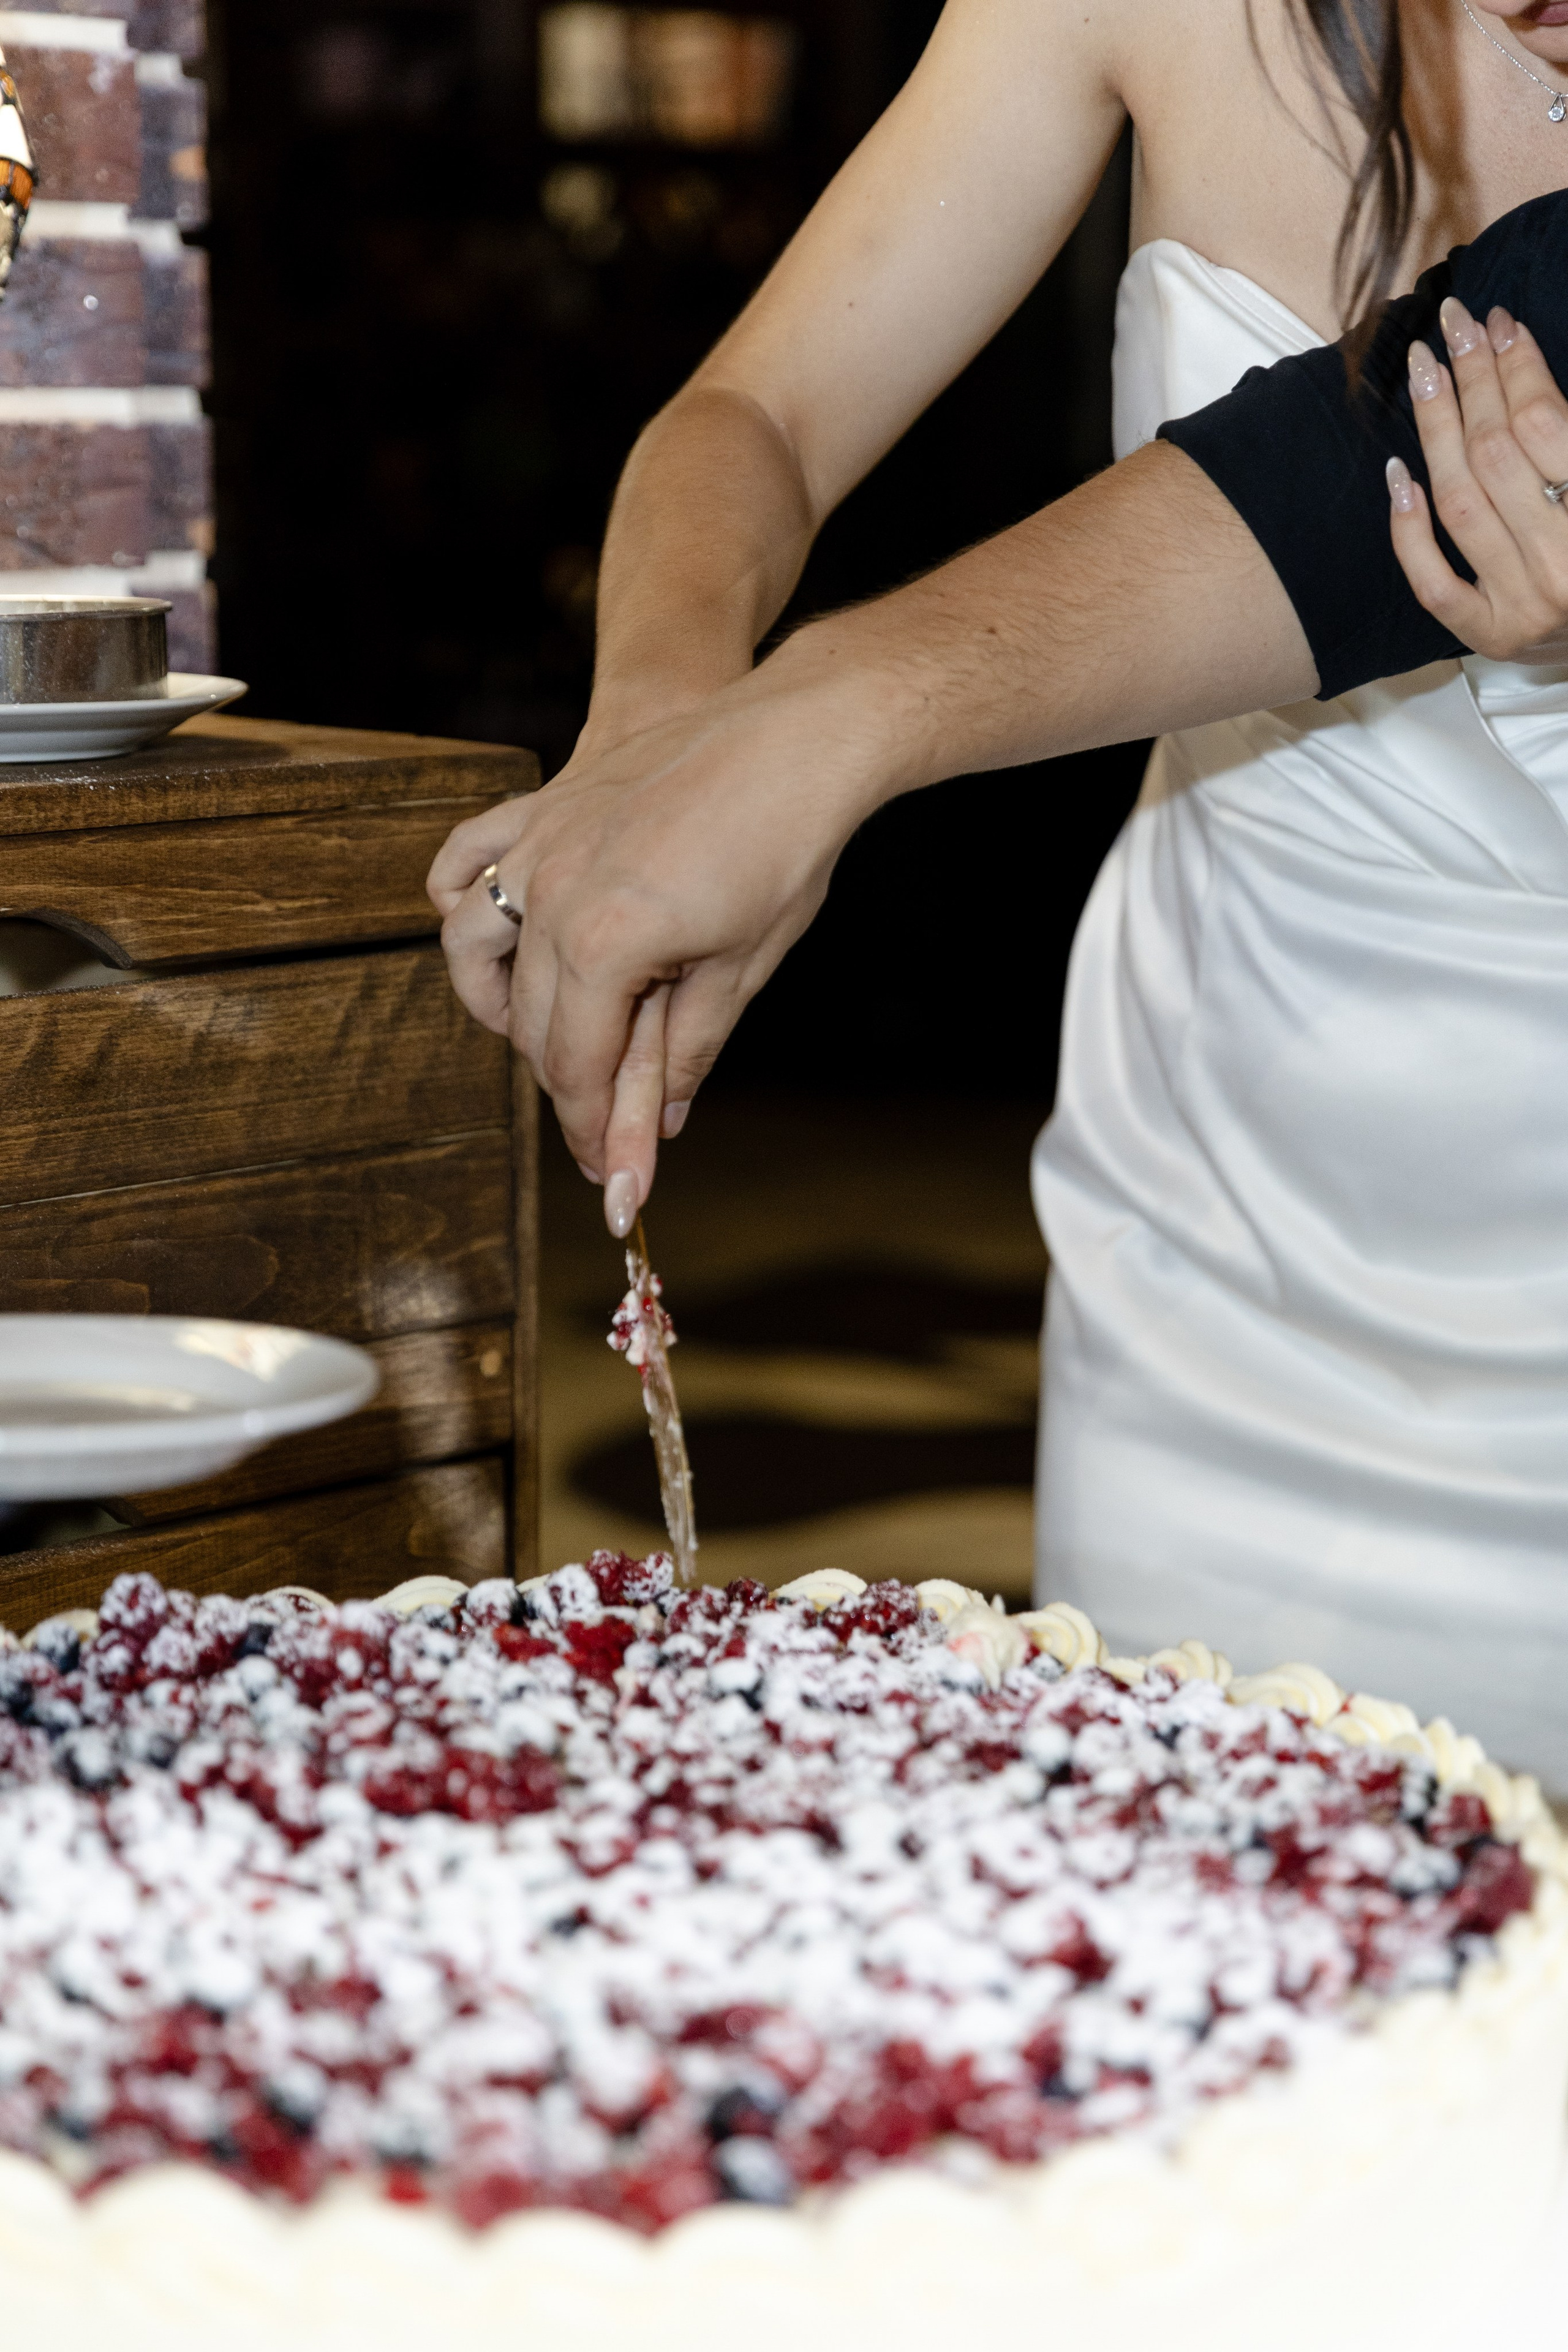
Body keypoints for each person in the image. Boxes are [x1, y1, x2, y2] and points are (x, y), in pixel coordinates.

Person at [431, 2, 1568, 1778]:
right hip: (1211, 1265)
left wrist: (810, 735)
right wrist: (665, 737)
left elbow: (1317, 497)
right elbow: (760, 410)